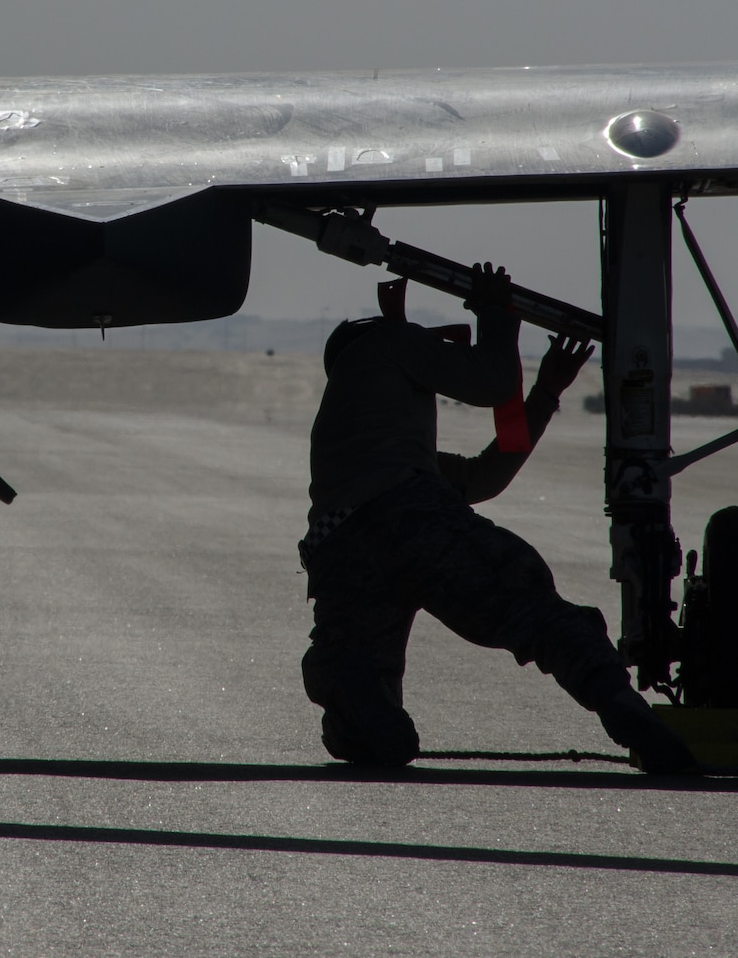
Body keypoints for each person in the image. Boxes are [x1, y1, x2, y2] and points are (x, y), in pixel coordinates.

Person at [299, 267, 698, 773]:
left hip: (341, 548)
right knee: (533, 610)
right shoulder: (385, 340)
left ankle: (352, 690)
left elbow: (483, 475)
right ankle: (617, 701)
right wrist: (495, 314)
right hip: (411, 515)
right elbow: (490, 381)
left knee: (351, 673)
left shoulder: (357, 443)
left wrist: (545, 394)